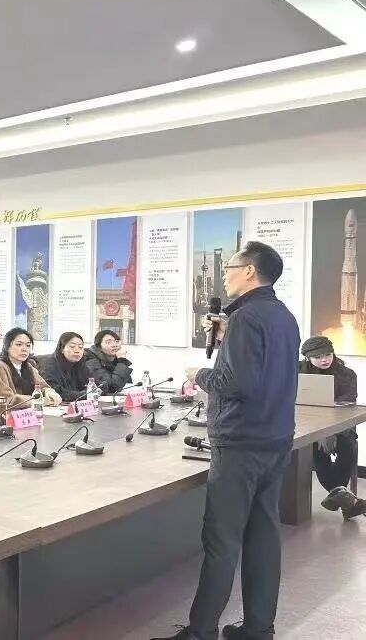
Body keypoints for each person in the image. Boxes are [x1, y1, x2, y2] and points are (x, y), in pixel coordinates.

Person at [155, 241, 300, 640]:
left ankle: (200, 632)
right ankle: (258, 630)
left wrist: (197, 374)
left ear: (249, 271)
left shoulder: (246, 317)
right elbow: (261, 369)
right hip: (274, 438)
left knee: (222, 541)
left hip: (239, 443)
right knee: (263, 538)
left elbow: (235, 383)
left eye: (231, 267)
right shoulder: (283, 315)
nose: (225, 274)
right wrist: (225, 339)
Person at [298, 336, 364, 520]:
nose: (324, 359)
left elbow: (348, 401)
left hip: (340, 423)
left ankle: (343, 499)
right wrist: (320, 432)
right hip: (308, 424)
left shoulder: (347, 374)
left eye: (328, 354)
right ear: (308, 358)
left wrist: (330, 430)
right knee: (316, 448)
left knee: (347, 445)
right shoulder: (297, 371)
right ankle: (349, 502)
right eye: (318, 357)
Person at [0, 327, 61, 415]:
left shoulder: (28, 366)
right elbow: (8, 400)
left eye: (28, 345)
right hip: (0, 415)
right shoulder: (0, 367)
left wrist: (49, 392)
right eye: (19, 344)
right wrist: (39, 400)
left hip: (24, 414)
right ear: (7, 347)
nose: (24, 349)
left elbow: (42, 386)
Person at [40, 332, 91, 403]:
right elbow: (54, 390)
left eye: (80, 347)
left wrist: (89, 392)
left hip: (78, 403)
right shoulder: (50, 364)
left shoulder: (81, 364)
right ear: (62, 349)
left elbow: (90, 385)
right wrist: (84, 395)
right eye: (72, 346)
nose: (77, 351)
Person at [84, 329, 133, 394]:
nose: (114, 345)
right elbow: (111, 387)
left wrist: (121, 362)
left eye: (117, 341)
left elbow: (127, 384)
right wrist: (122, 361)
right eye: (109, 342)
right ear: (99, 346)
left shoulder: (117, 360)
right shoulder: (91, 360)